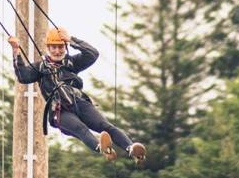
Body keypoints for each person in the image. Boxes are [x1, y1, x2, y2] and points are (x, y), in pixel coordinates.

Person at [8, 27, 146, 164]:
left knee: (105, 125)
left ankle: (131, 148)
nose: (57, 51)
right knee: (80, 128)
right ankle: (102, 148)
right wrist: (16, 51)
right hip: (60, 111)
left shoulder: (72, 63)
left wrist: (71, 39)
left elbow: (92, 54)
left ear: (66, 47)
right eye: (53, 47)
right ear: (48, 48)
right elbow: (23, 76)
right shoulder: (39, 67)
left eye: (60, 47)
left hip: (79, 103)